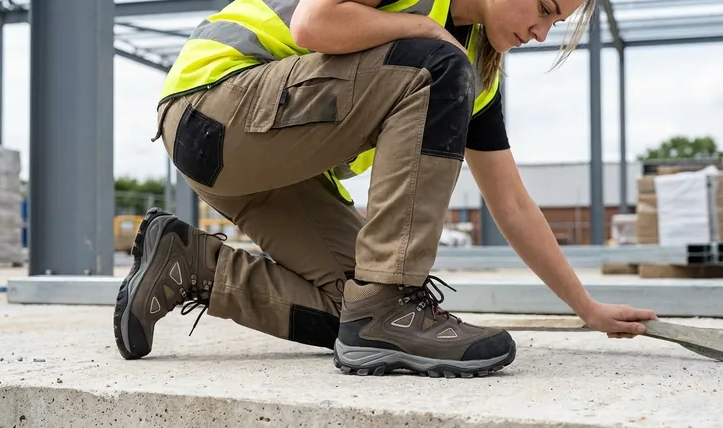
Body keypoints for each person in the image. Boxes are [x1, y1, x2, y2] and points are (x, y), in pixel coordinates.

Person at [113, 0, 658, 377]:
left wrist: (585, 307)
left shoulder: (471, 72)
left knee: (352, 309)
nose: (542, 32)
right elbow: (314, 22)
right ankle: (393, 301)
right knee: (438, 67)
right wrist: (425, 33)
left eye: (555, 23)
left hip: (269, 161)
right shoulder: (439, 50)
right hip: (212, 109)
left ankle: (191, 265)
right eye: (543, 8)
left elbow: (511, 203)